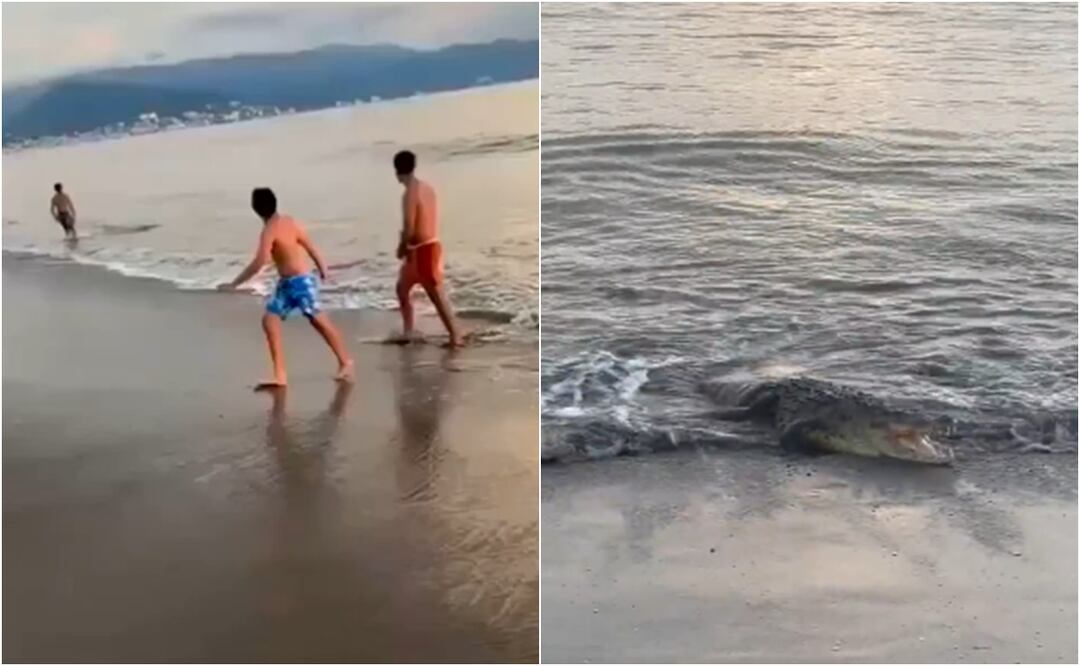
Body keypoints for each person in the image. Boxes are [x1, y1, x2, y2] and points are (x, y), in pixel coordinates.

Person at [218, 187, 354, 388]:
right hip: (286, 284)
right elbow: (310, 246)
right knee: (270, 320)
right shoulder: (289, 222)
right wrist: (322, 268)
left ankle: (346, 361)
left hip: (301, 282)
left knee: (318, 320)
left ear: (256, 209)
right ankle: (280, 375)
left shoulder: (270, 230)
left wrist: (234, 284)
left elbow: (260, 262)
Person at [393, 150, 463, 347]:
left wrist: (401, 247)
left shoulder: (410, 194)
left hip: (424, 250)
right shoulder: (427, 188)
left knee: (435, 295)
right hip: (420, 249)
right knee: (402, 288)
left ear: (397, 172)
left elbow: (409, 226)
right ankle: (408, 331)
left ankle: (455, 334)